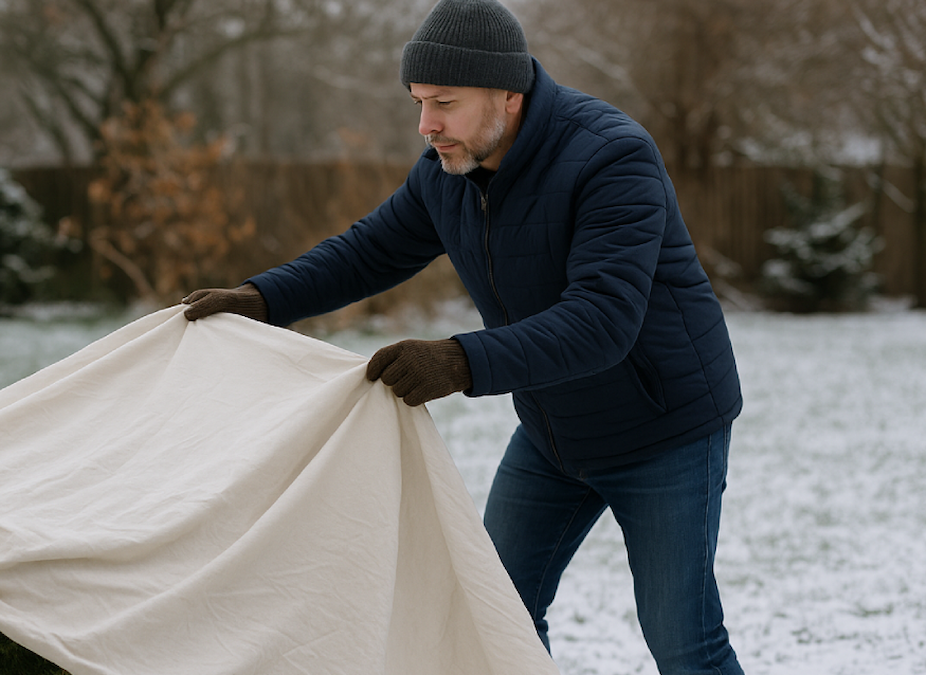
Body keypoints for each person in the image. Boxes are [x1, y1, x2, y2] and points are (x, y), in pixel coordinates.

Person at [183, 0, 744, 672]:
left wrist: (459, 360)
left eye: (443, 102)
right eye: (418, 102)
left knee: (683, 639)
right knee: (493, 617)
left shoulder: (611, 158)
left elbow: (602, 322)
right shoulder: (446, 174)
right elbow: (368, 252)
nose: (426, 125)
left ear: (509, 94)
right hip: (553, 431)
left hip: (663, 431)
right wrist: (262, 297)